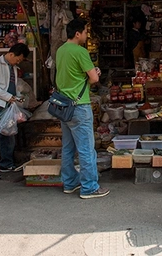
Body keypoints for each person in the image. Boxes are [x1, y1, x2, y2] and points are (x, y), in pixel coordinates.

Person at [55, 18, 109, 199]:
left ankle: (70, 183)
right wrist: (95, 73)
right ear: (77, 33)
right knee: (86, 149)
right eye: (85, 32)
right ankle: (89, 187)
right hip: (79, 106)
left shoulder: (61, 50)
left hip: (64, 106)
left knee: (68, 148)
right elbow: (93, 79)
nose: (87, 35)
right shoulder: (80, 52)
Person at [0, 43, 30, 179]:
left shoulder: (12, 67)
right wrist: (8, 96)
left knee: (8, 135)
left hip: (8, 105)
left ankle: (6, 163)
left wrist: (15, 98)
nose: (18, 62)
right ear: (11, 54)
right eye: (18, 59)